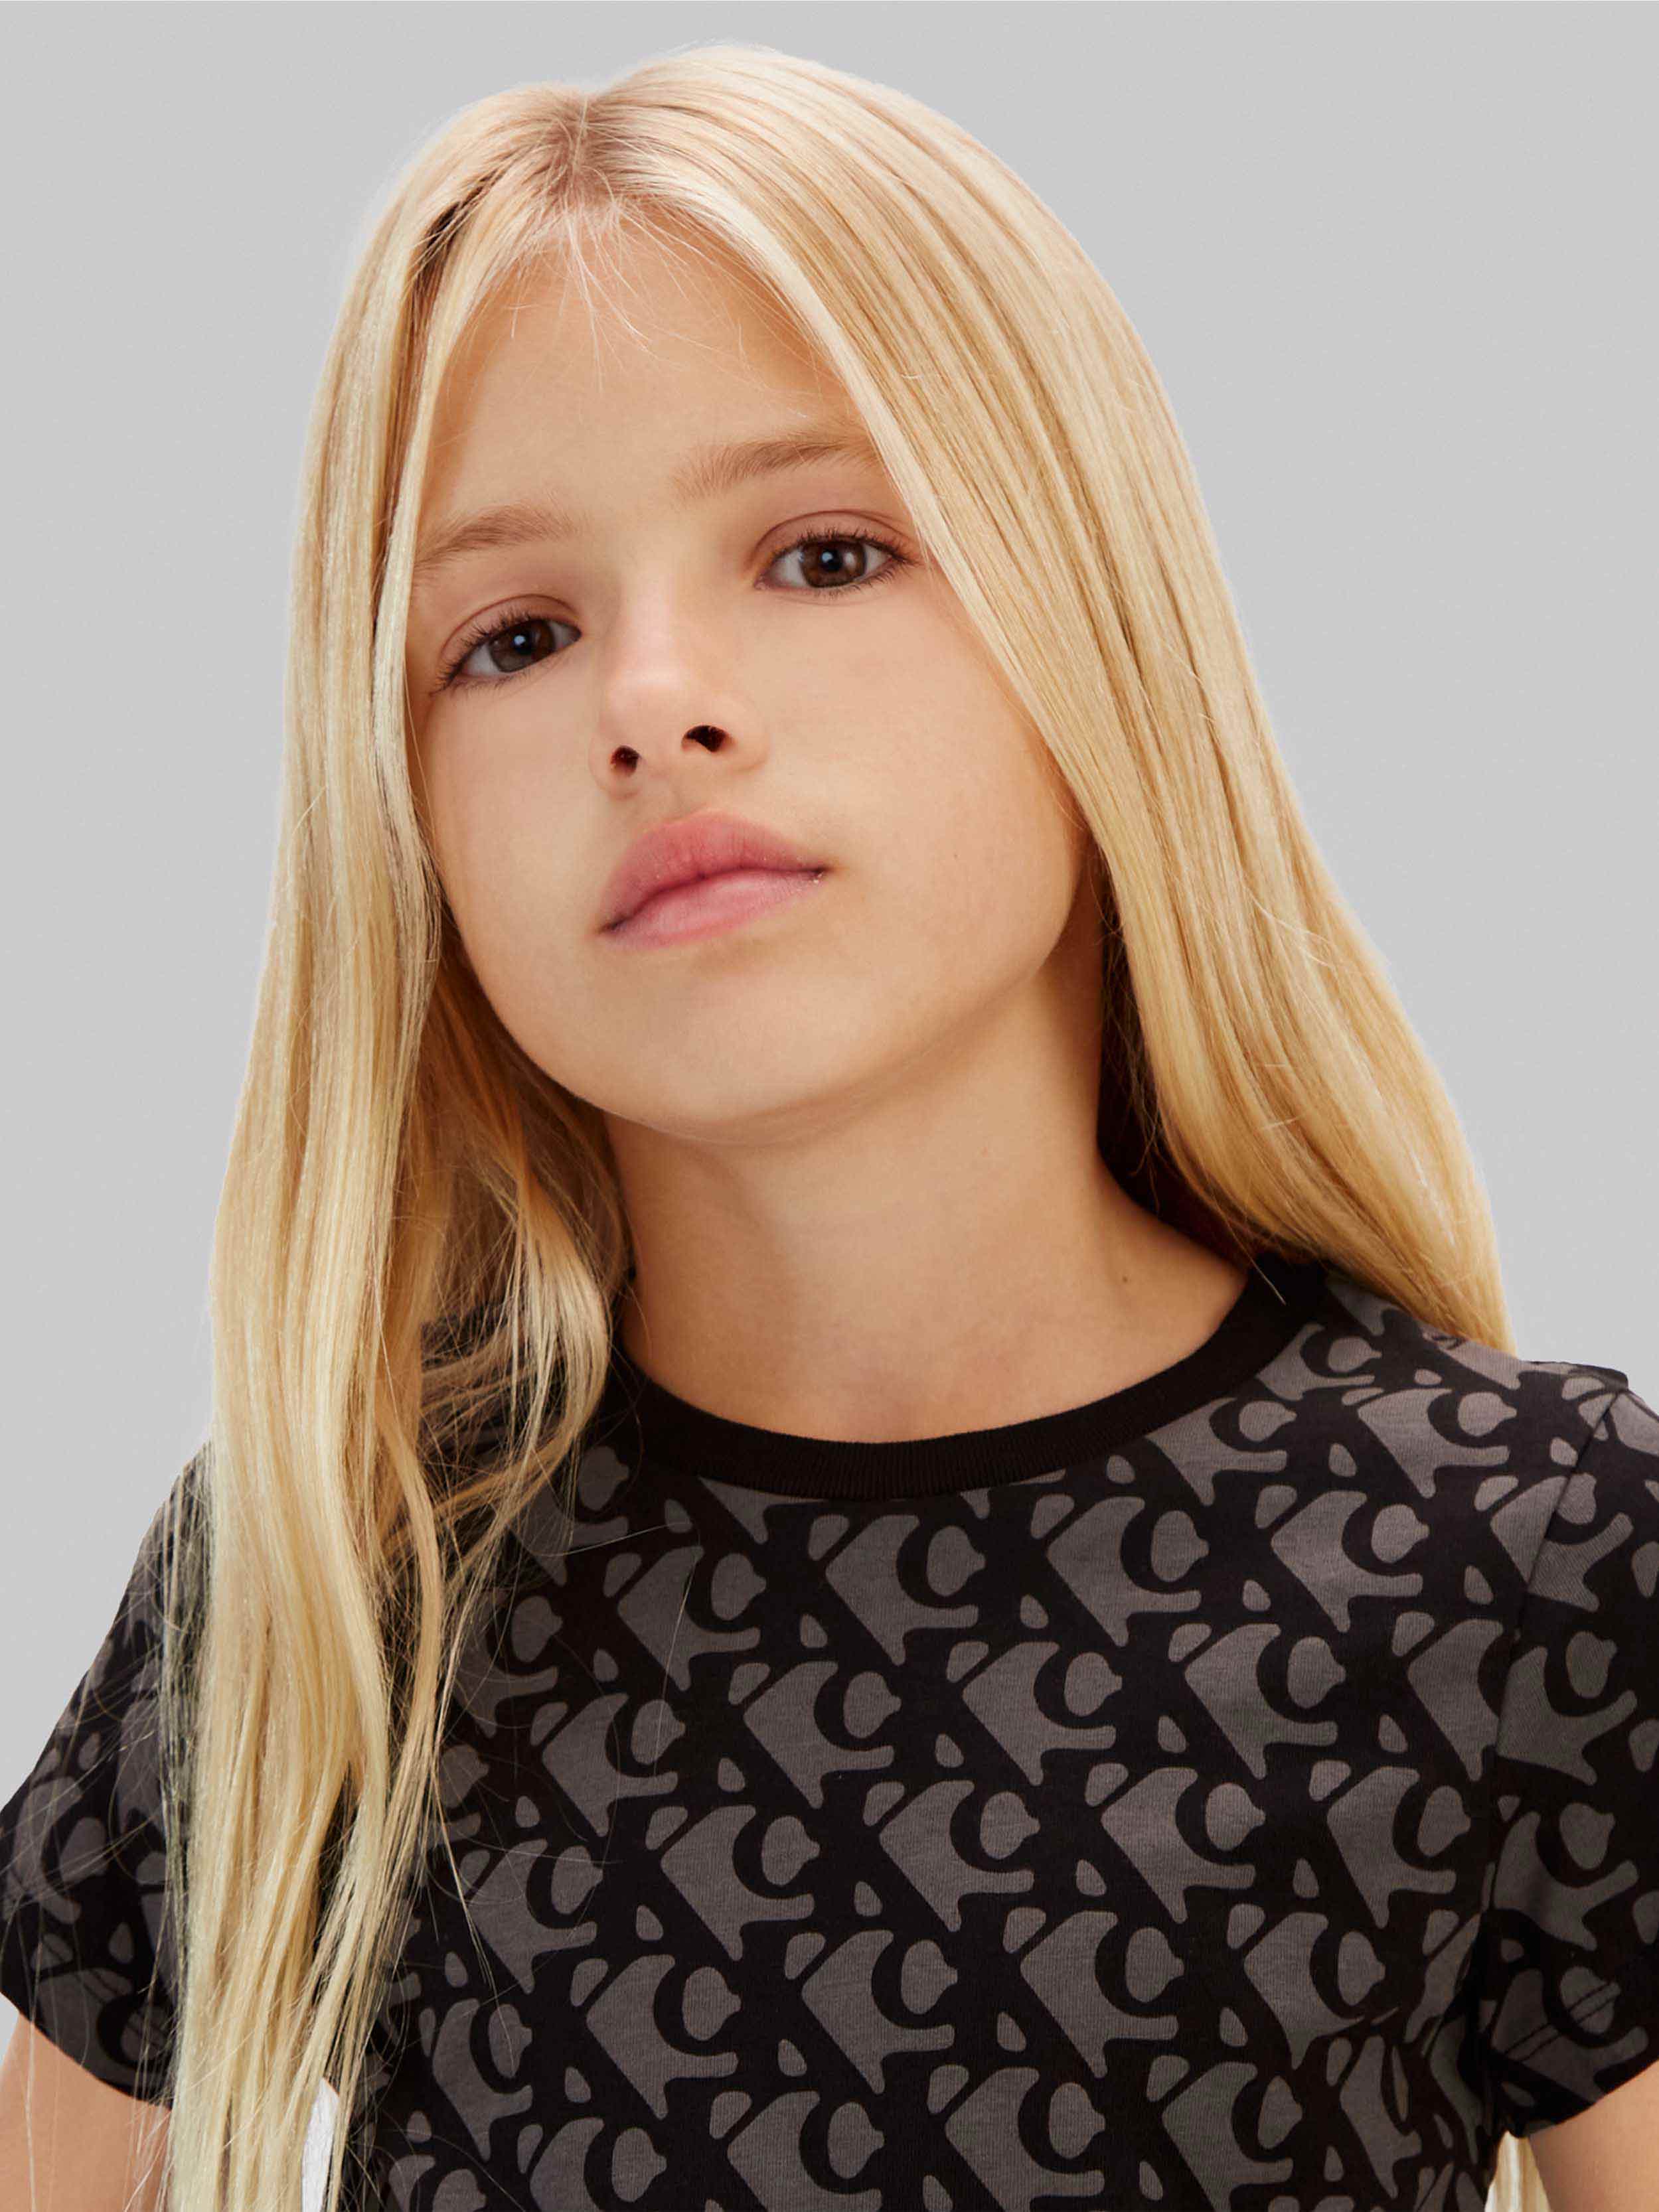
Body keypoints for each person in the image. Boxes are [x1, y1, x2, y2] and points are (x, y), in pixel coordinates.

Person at [1, 43, 1654, 2212]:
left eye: (826, 550)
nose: (651, 701)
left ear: (1096, 618)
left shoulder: (1529, 1558)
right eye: (512, 633)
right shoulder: (335, 1571)